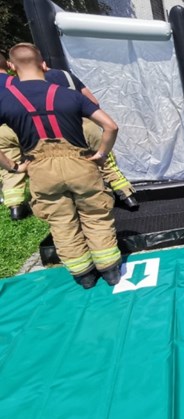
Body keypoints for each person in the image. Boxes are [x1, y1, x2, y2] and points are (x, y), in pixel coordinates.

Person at [0, 43, 122, 288]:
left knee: (61, 221)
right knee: (96, 215)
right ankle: (110, 271)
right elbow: (111, 126)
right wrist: (100, 154)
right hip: (80, 165)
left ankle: (84, 276)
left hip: (40, 169)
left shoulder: (5, 100)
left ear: (12, 67)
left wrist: (13, 167)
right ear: (43, 64)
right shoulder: (69, 94)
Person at [43, 64, 139, 209]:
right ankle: (127, 196)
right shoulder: (66, 75)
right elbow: (92, 101)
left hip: (64, 129)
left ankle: (94, 202)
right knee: (106, 161)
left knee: (79, 164)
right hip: (87, 124)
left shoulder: (31, 84)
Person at [0, 52, 31, 220]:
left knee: (10, 166)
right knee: (35, 157)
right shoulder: (18, 82)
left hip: (1, 132)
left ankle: (15, 207)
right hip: (21, 125)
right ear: (9, 65)